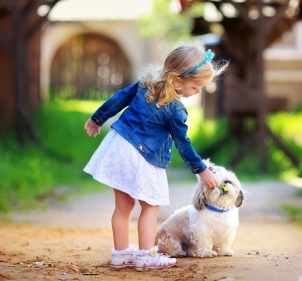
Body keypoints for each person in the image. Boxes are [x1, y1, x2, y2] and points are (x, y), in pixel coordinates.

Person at [84, 44, 227, 271]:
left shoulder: (145, 84)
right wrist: (202, 169)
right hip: (141, 156)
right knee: (150, 206)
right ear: (178, 81)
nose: (198, 92)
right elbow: (183, 144)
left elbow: (118, 98)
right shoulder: (176, 110)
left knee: (123, 206)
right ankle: (146, 255)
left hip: (118, 147)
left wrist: (97, 118)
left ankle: (121, 254)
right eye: (196, 87)